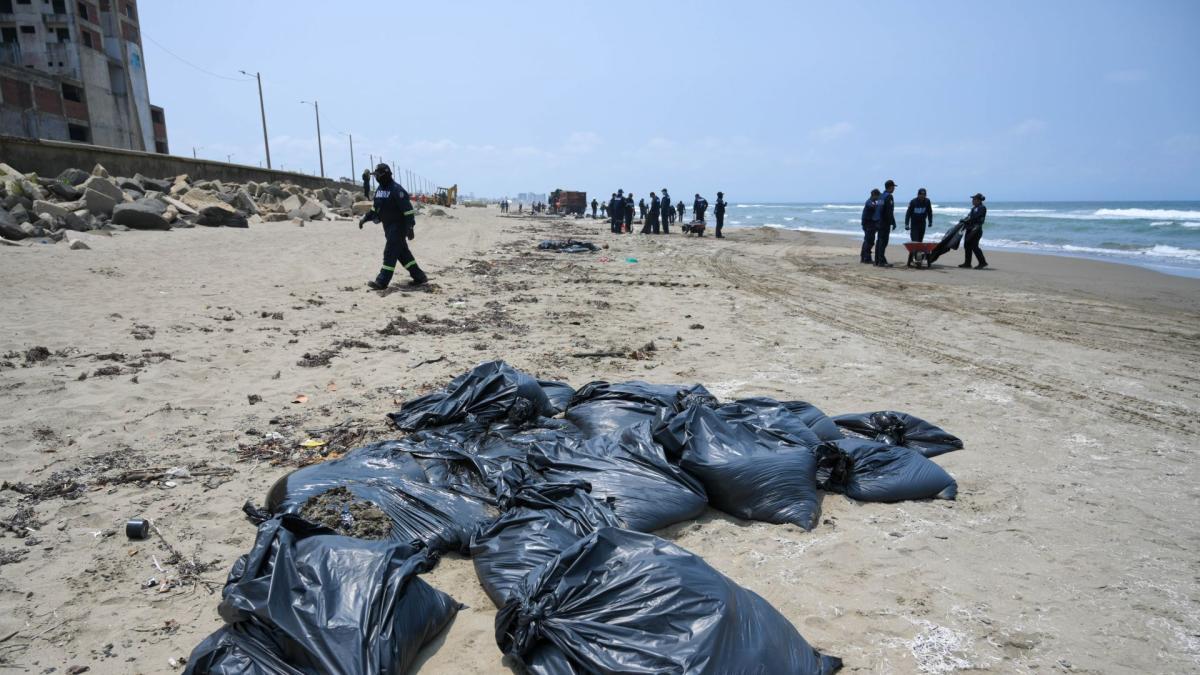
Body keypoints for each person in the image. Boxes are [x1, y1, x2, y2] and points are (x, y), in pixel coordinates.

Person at [359, 163, 428, 290]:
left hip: (398, 227)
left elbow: (408, 211)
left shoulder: (397, 190)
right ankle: (420, 277)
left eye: (378, 175)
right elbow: (375, 209)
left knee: (390, 252)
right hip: (388, 227)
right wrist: (365, 218)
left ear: (385, 174)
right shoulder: (379, 190)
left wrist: (410, 228)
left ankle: (382, 281)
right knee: (403, 254)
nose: (376, 178)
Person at [905, 188, 933, 267]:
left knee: (920, 243)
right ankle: (910, 261)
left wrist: (930, 221)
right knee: (914, 243)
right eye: (921, 195)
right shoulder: (913, 202)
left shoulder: (927, 201)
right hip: (914, 225)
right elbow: (908, 214)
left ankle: (918, 260)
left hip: (922, 224)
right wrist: (907, 224)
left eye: (924, 195)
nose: (922, 196)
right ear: (918, 195)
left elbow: (930, 212)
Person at [959, 193, 988, 269]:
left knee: (974, 246)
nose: (972, 201)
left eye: (974, 199)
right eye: (973, 199)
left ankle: (982, 262)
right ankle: (967, 263)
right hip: (969, 229)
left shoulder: (982, 208)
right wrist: (964, 220)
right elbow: (969, 217)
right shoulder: (973, 209)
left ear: (978, 200)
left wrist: (967, 220)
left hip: (976, 230)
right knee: (967, 245)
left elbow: (976, 218)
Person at [873, 179, 897, 267]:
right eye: (893, 187)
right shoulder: (889, 197)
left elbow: (878, 209)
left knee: (879, 241)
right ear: (890, 187)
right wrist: (893, 222)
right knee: (883, 242)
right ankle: (881, 262)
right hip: (884, 222)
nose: (894, 189)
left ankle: (877, 260)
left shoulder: (881, 196)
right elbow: (889, 211)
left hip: (878, 221)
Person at [861, 188, 881, 263]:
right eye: (878, 196)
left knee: (867, 241)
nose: (878, 198)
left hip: (869, 224)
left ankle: (863, 257)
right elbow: (873, 207)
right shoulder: (869, 202)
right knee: (869, 241)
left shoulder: (872, 202)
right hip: (868, 225)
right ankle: (867, 258)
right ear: (874, 195)